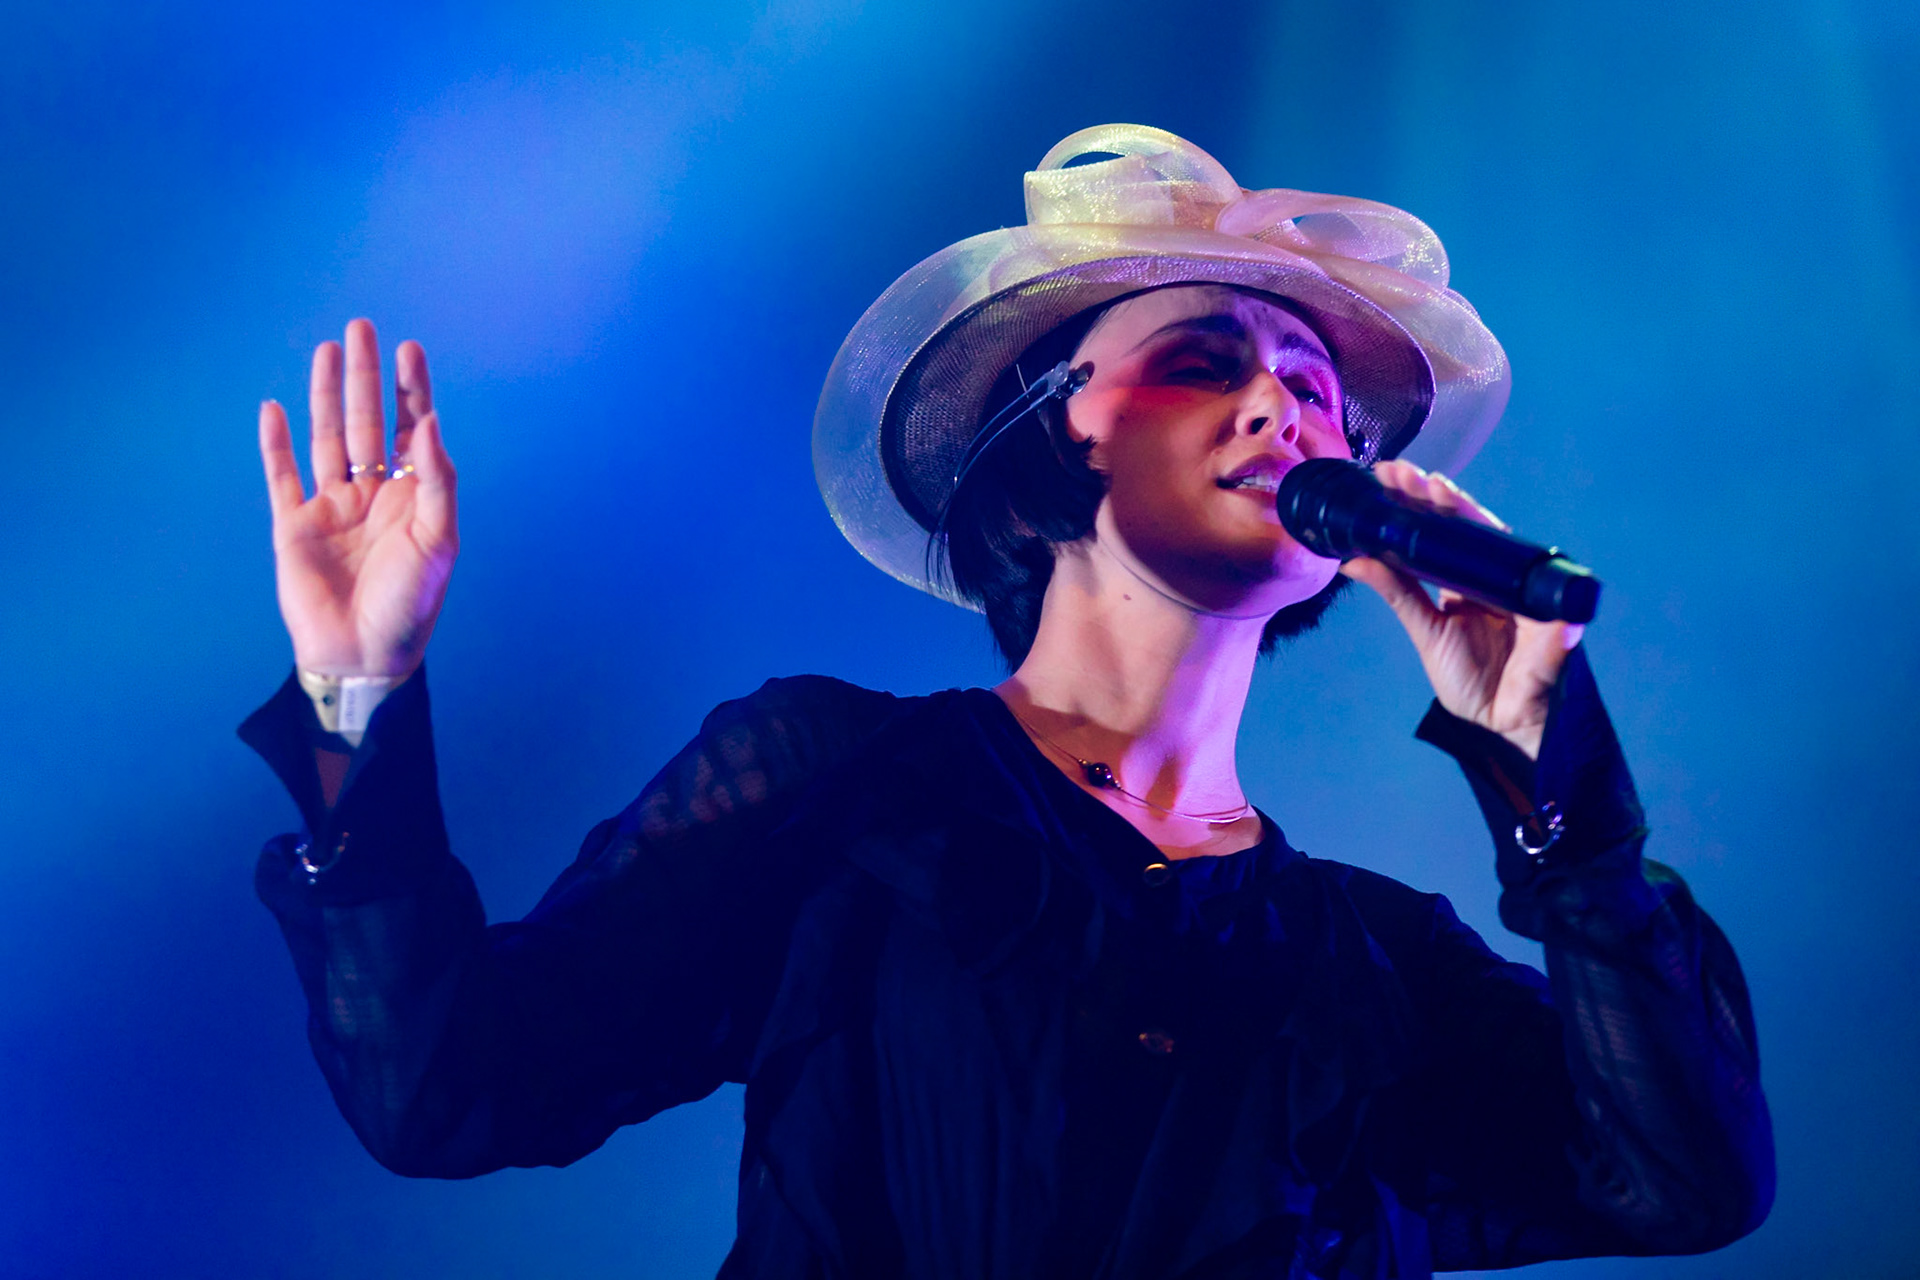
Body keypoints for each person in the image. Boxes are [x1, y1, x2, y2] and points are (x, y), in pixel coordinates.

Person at [244, 125, 1773, 1278]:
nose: (1282, 408)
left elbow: (1682, 1182)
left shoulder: (1368, 963)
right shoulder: (843, 789)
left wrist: (1548, 781)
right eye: (1203, 358)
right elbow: (448, 1089)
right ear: (1053, 440)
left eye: (1317, 391)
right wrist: (354, 691)